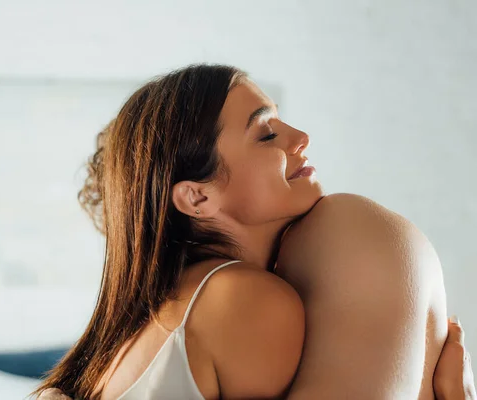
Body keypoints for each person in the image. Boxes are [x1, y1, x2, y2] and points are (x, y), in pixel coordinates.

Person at [34, 64, 475, 399]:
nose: (300, 136)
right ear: (197, 198)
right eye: (266, 134)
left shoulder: (163, 313)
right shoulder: (240, 301)